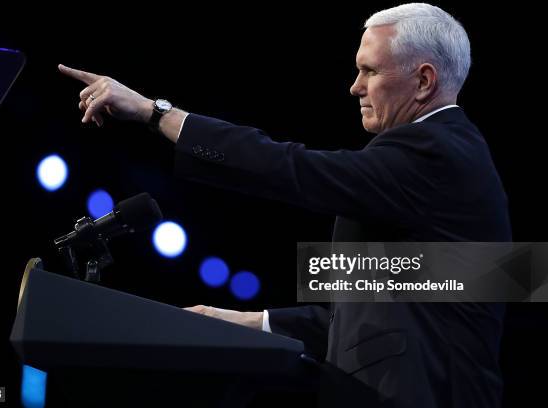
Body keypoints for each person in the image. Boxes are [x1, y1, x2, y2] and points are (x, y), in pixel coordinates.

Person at [59, 3, 511, 407]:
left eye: (370, 71)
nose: (355, 87)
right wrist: (245, 320)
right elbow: (373, 311)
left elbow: (290, 168)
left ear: (424, 80)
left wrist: (155, 113)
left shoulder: (439, 154)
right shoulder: (441, 164)